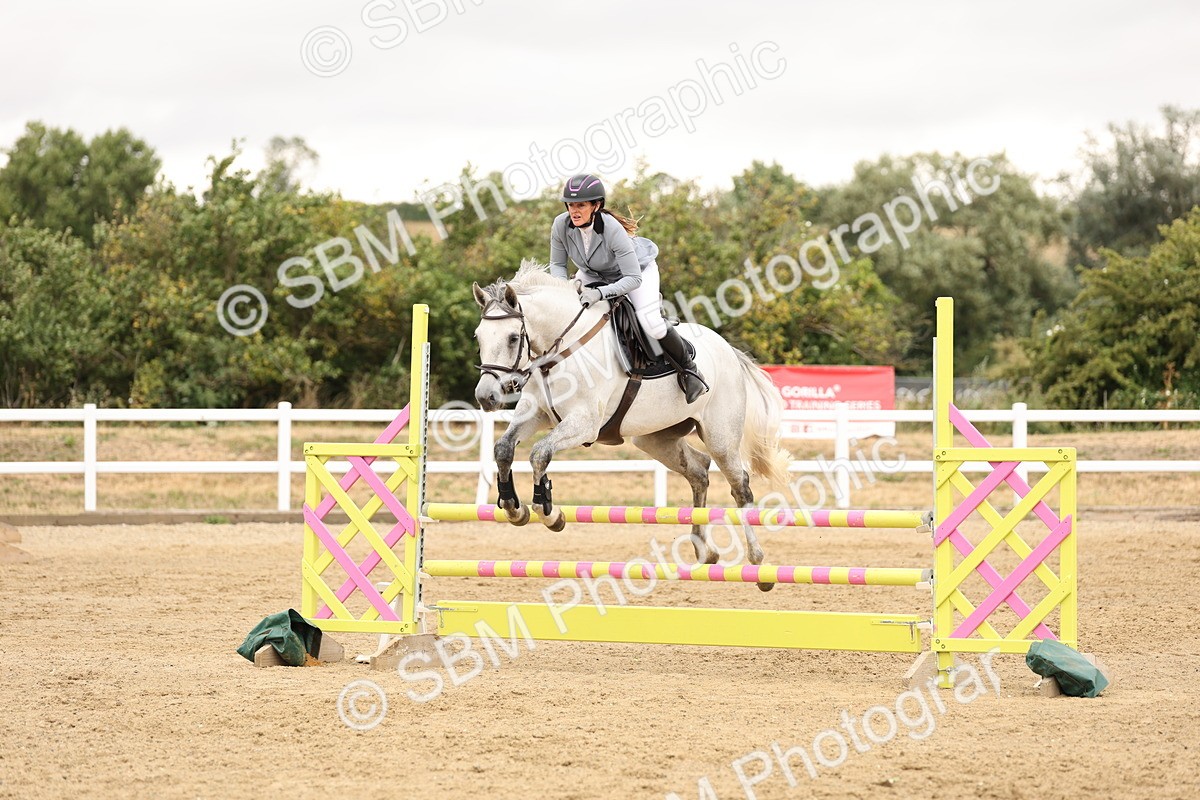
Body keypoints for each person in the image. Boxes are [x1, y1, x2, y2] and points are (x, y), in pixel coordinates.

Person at [548, 173, 708, 403]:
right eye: (571, 204)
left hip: (637, 272)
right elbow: (557, 264)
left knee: (650, 322)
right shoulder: (560, 225)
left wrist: (600, 292)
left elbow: (633, 278)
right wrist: (562, 291)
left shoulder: (612, 229)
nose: (574, 211)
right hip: (595, 272)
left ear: (596, 205)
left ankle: (690, 371)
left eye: (581, 205)